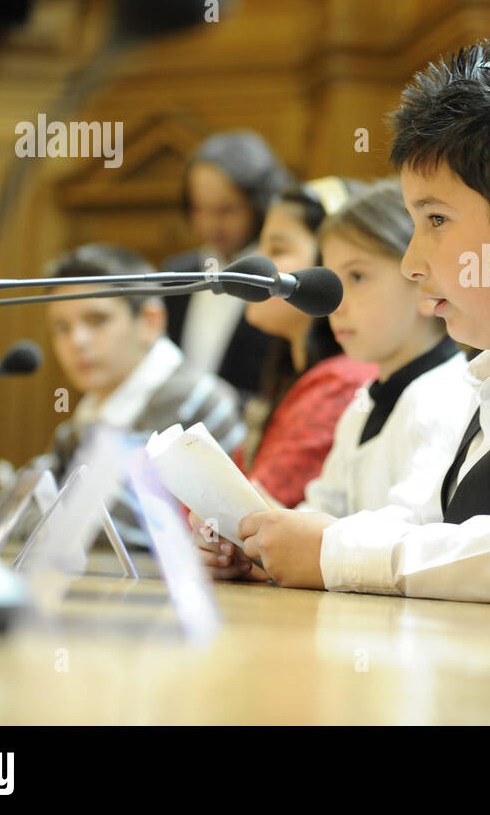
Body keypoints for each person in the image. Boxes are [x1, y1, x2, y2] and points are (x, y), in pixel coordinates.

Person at [198, 35, 490, 604]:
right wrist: (275, 547)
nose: (411, 262)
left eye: (436, 219)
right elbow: (422, 525)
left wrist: (335, 553)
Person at [190, 179, 472, 576]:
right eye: (334, 282)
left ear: (425, 282)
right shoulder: (364, 403)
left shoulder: (447, 396)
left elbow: (413, 532)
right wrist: (250, 549)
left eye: (356, 278)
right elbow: (317, 515)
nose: (336, 303)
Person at [31, 243, 245, 545]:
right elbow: (11, 509)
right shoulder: (88, 413)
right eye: (61, 327)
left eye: (97, 320)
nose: (77, 341)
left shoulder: (195, 401)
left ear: (150, 322)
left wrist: (49, 521)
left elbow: (115, 531)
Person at [232, 181, 377, 509]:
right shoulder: (288, 374)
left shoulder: (342, 380)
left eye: (278, 249)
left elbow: (245, 510)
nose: (257, 263)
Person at [163, 129, 293, 398]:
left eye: (226, 210)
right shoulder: (174, 273)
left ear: (259, 205)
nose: (211, 225)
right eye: (200, 209)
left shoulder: (279, 276)